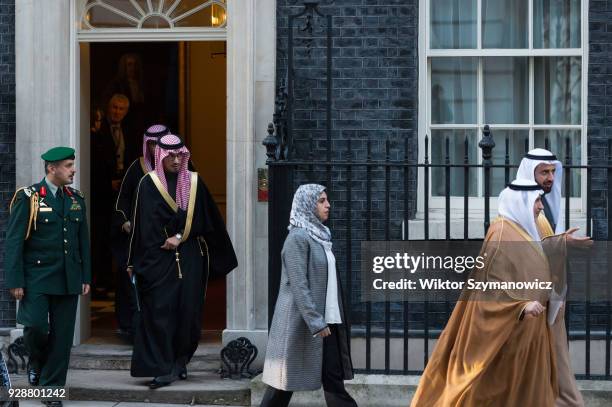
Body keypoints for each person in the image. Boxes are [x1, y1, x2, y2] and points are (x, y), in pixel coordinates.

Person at [410, 179, 558, 407]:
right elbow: (490, 286)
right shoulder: (500, 235)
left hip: (529, 332)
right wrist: (520, 306)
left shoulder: (524, 231)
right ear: (521, 202)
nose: (540, 206)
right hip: (508, 333)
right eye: (537, 200)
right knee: (489, 391)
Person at [127, 134, 237, 389]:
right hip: (156, 261)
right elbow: (141, 228)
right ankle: (162, 367)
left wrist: (179, 236)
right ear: (160, 156)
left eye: (180, 155)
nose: (176, 160)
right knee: (159, 312)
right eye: (171, 156)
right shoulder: (147, 184)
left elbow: (207, 220)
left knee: (188, 313)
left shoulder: (194, 182)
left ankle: (179, 363)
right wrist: (133, 261)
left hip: (189, 258)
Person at [4, 147, 91, 407]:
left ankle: (51, 391)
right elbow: (14, 242)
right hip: (37, 277)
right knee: (36, 327)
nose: (73, 170)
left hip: (68, 277)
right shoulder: (29, 197)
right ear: (51, 168)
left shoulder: (76, 198)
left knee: (63, 337)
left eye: (73, 164)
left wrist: (85, 275)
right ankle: (36, 357)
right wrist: (15, 281)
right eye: (67, 165)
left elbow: (82, 241)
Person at [260, 184, 357, 407]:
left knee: (333, 381)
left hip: (328, 321)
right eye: (321, 201)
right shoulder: (297, 238)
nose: (328, 205)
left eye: (326, 200)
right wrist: (315, 321)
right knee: (282, 386)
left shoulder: (321, 237)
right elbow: (299, 286)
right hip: (302, 323)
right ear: (307, 204)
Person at [517, 148, 592, 407]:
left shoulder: (542, 207)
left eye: (552, 172)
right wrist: (564, 242)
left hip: (550, 299)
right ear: (530, 173)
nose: (550, 178)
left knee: (554, 365)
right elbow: (525, 250)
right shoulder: (524, 211)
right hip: (532, 304)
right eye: (544, 172)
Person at [112, 124, 170, 341]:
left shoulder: (178, 165)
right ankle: (132, 330)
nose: (156, 148)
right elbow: (122, 199)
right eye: (152, 143)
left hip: (168, 239)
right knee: (132, 284)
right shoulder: (136, 168)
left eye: (160, 142)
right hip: (139, 239)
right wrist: (124, 221)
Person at [90, 93, 133, 297]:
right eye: (114, 107)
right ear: (108, 107)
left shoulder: (130, 130)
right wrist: (108, 183)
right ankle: (102, 280)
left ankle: (116, 280)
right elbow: (94, 160)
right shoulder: (98, 130)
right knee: (101, 236)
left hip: (122, 189)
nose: (117, 112)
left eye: (121, 109)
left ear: (126, 112)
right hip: (102, 191)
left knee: (118, 234)